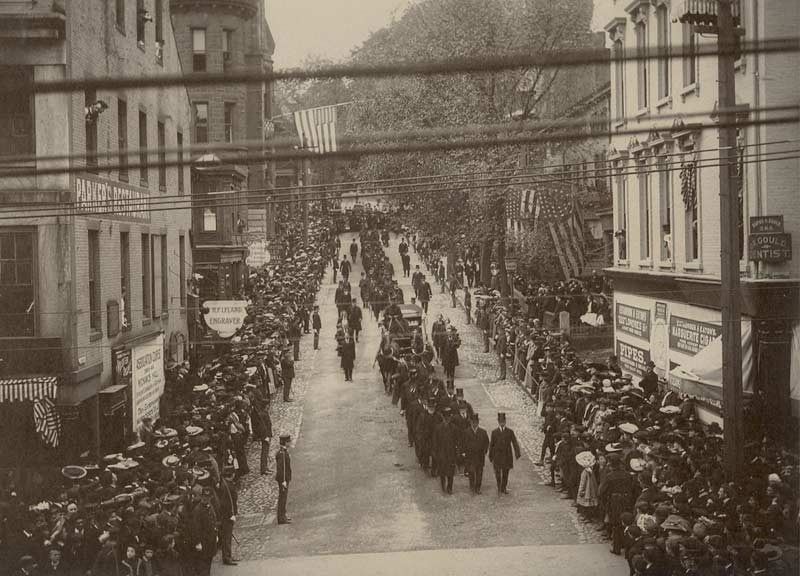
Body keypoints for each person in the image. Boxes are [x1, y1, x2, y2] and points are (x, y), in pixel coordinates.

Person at [489, 412, 521, 495]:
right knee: (498, 473)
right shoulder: (494, 432)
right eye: (500, 421)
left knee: (506, 473)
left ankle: (503, 487)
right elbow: (491, 444)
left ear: (505, 421)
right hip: (497, 455)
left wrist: (517, 453)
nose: (502, 423)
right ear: (498, 422)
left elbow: (514, 442)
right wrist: (490, 455)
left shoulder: (510, 432)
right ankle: (499, 486)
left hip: (507, 455)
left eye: (503, 421)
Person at [189, 484, 217, 576]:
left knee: (209, 561)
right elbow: (195, 527)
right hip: (203, 541)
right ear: (201, 496)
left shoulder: (210, 506)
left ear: (211, 497)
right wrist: (197, 542)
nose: (206, 498)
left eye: (208, 497)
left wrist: (216, 534)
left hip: (211, 540)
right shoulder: (198, 510)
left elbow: (214, 520)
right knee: (202, 565)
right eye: (204, 496)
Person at [434, 407, 459, 494]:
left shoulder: (454, 428)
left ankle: (450, 487)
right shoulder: (438, 428)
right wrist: (436, 454)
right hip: (441, 454)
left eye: (448, 418)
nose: (447, 420)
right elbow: (435, 442)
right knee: (442, 472)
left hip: (451, 454)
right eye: (445, 418)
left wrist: (456, 454)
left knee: (450, 473)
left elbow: (457, 442)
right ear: (443, 418)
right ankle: (443, 485)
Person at [463, 412, 489, 494]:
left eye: (476, 422)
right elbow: (463, 443)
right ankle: (472, 485)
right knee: (471, 471)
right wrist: (464, 452)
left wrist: (485, 450)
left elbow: (487, 442)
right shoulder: (466, 432)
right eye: (473, 422)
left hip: (480, 456)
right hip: (470, 456)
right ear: (470, 422)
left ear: (478, 422)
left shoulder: (483, 432)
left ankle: (478, 487)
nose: (474, 424)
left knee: (479, 472)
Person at [217, 473, 239, 565]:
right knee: (227, 536)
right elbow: (225, 503)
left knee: (227, 536)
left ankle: (228, 555)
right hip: (227, 516)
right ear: (232, 475)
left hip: (227, 514)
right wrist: (231, 514)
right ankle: (227, 557)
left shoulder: (225, 484)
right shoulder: (226, 486)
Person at [276, 434, 292, 525]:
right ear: (286, 442)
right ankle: (281, 517)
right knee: (282, 498)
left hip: (284, 479)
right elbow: (282, 469)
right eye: (289, 441)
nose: (290, 443)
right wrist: (283, 481)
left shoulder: (282, 452)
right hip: (283, 479)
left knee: (283, 497)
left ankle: (283, 515)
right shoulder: (282, 454)